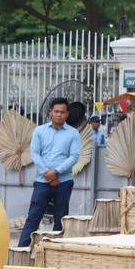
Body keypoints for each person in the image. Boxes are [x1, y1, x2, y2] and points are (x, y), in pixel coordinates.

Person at [18, 98, 82, 249]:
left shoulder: (73, 134)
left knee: (61, 220)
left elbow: (74, 156)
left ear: (67, 114)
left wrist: (57, 172)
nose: (59, 114)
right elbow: (35, 153)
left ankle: (56, 251)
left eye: (62, 112)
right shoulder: (39, 131)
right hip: (42, 181)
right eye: (56, 111)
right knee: (33, 217)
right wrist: (48, 173)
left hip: (64, 182)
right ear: (50, 113)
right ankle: (22, 250)